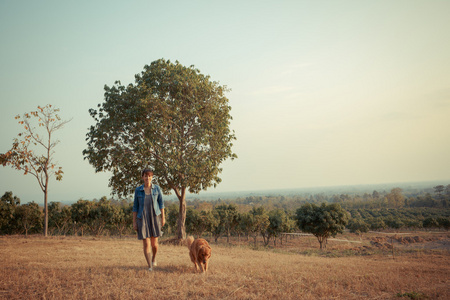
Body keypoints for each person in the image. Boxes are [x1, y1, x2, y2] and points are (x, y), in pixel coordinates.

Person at [133, 168, 165, 271]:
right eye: (145, 176)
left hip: (155, 217)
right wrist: (134, 222)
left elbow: (161, 203)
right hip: (142, 218)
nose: (147, 178)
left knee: (154, 244)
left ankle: (154, 258)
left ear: (152, 177)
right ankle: (150, 266)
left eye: (149, 176)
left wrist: (163, 218)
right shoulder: (138, 190)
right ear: (142, 177)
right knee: (146, 243)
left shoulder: (157, 189)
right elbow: (135, 207)